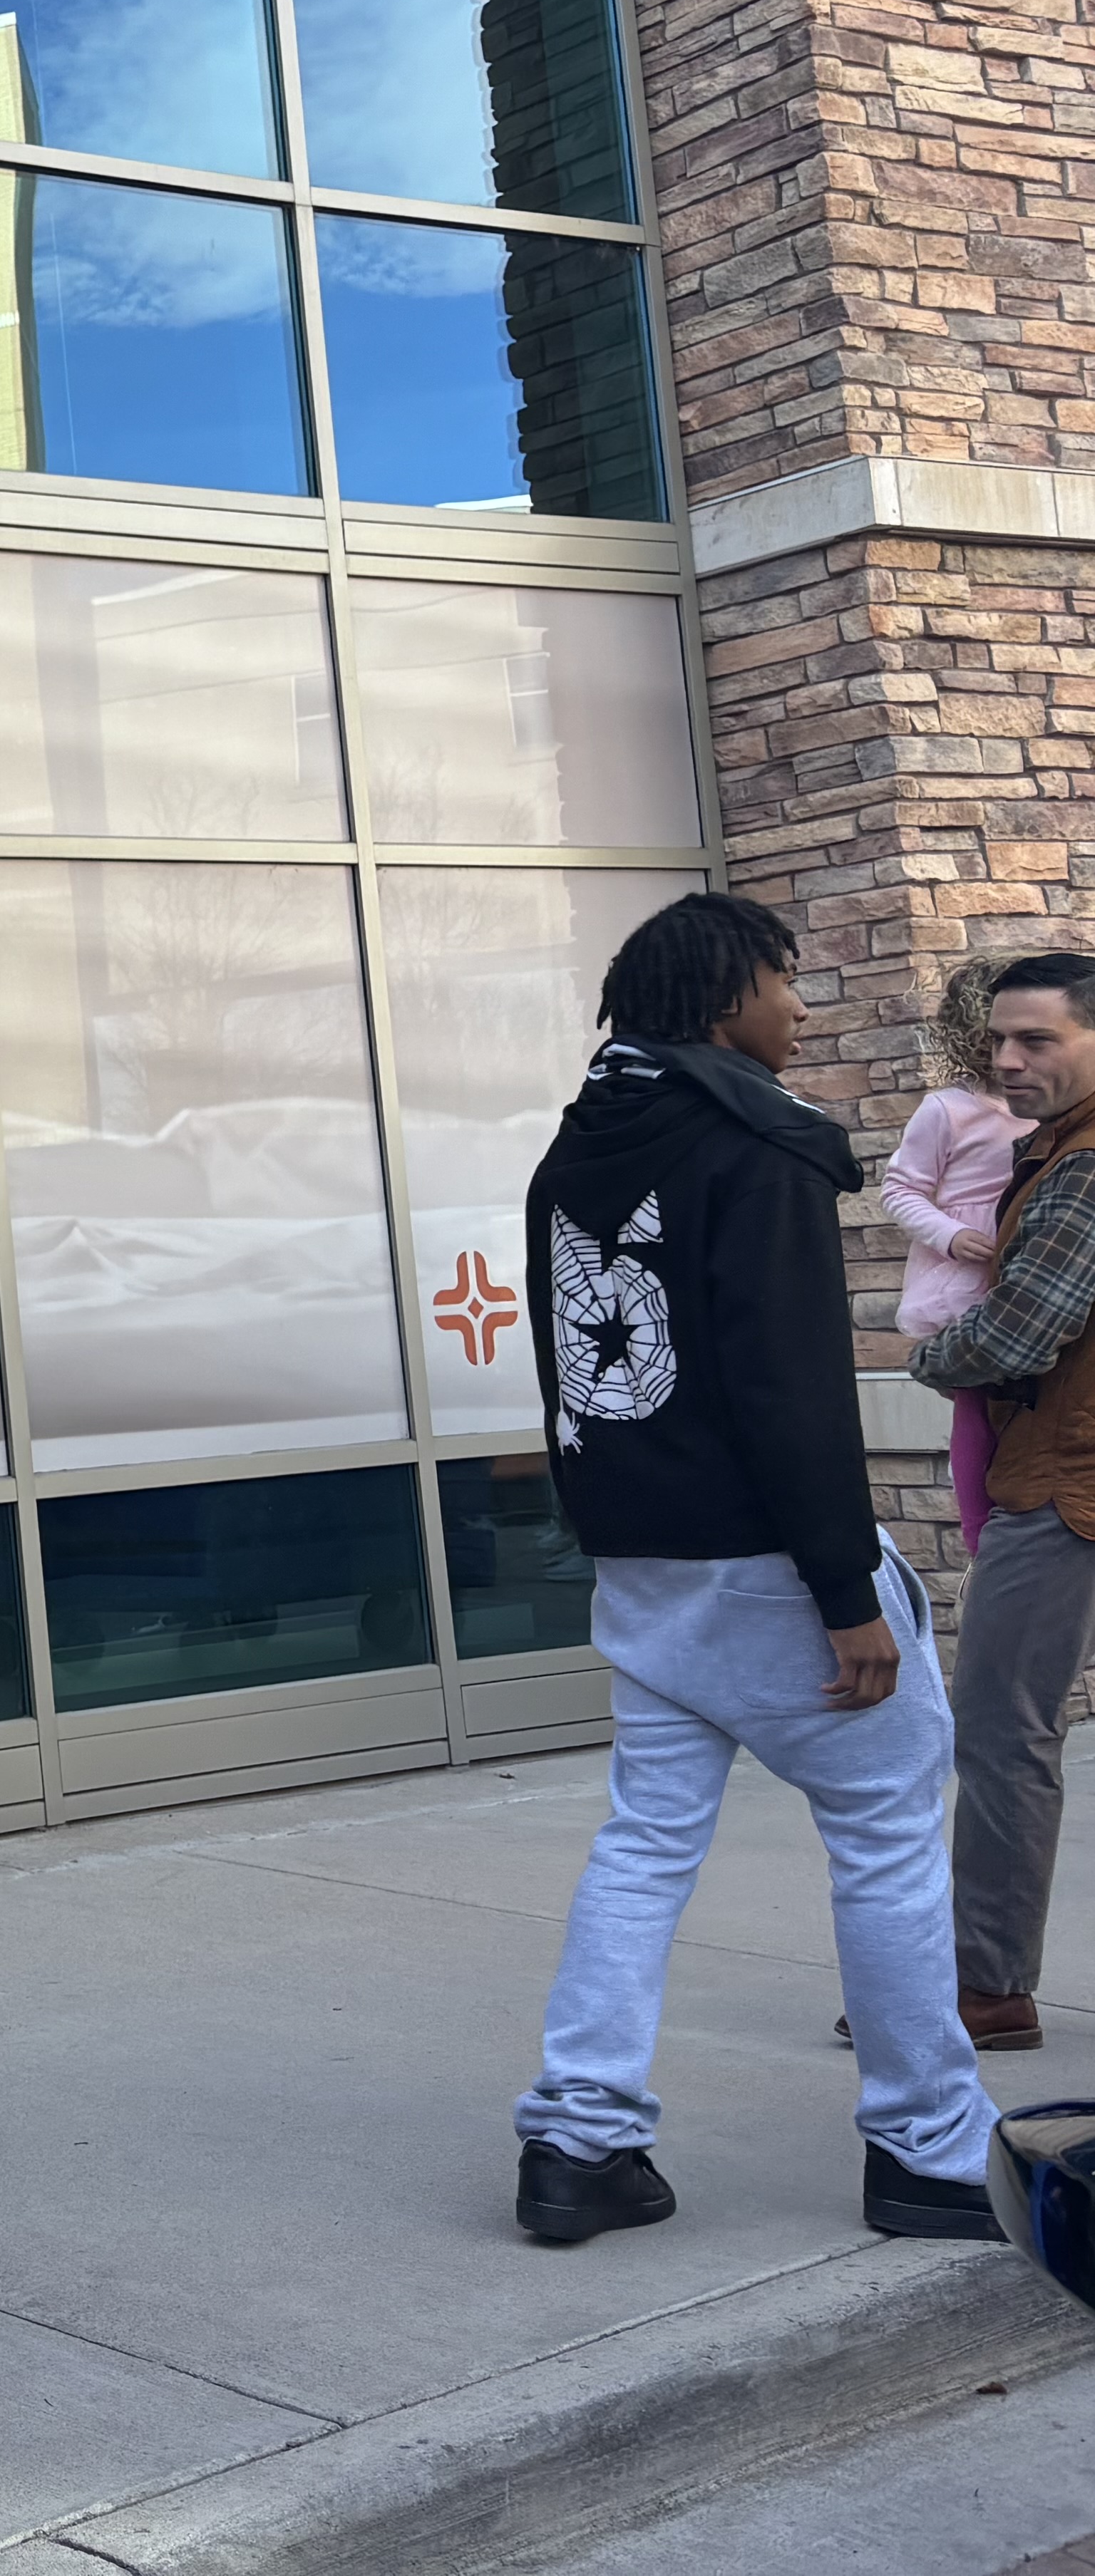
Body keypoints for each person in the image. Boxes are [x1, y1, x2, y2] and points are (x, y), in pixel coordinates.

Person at [510, 889, 1000, 2245]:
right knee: (888, 1836)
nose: (799, 1006)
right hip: (769, 1569)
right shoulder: (754, 1146)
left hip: (643, 1567)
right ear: (725, 996)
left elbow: (569, 1370)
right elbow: (793, 1392)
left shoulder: (574, 1150)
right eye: (784, 981)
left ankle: (577, 2139)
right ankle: (929, 2148)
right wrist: (846, 1594)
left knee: (644, 1845)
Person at [910, 948, 1095, 2052]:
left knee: (1002, 1732)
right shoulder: (1051, 1152)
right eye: (999, 1040)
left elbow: (1019, 1332)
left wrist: (930, 1353)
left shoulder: (1082, 1170)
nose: (1009, 1059)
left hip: (1064, 1485)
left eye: (1038, 1040)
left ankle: (985, 1987)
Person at [883, 953, 1031, 1553]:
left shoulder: (1055, 1109)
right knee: (973, 1405)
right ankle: (977, 1536)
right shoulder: (947, 1109)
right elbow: (900, 1189)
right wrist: (947, 1234)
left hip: (1027, 1263)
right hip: (968, 1275)